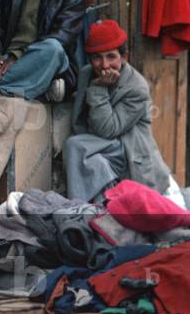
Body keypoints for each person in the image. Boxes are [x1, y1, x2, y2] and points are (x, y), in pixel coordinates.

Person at [64, 20, 173, 203]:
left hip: (128, 149)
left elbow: (109, 130)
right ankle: (94, 211)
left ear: (124, 57)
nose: (104, 65)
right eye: (97, 57)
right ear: (90, 60)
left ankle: (77, 207)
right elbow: (80, 114)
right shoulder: (86, 73)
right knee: (95, 163)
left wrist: (98, 89)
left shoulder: (137, 87)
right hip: (102, 144)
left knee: (75, 145)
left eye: (111, 57)